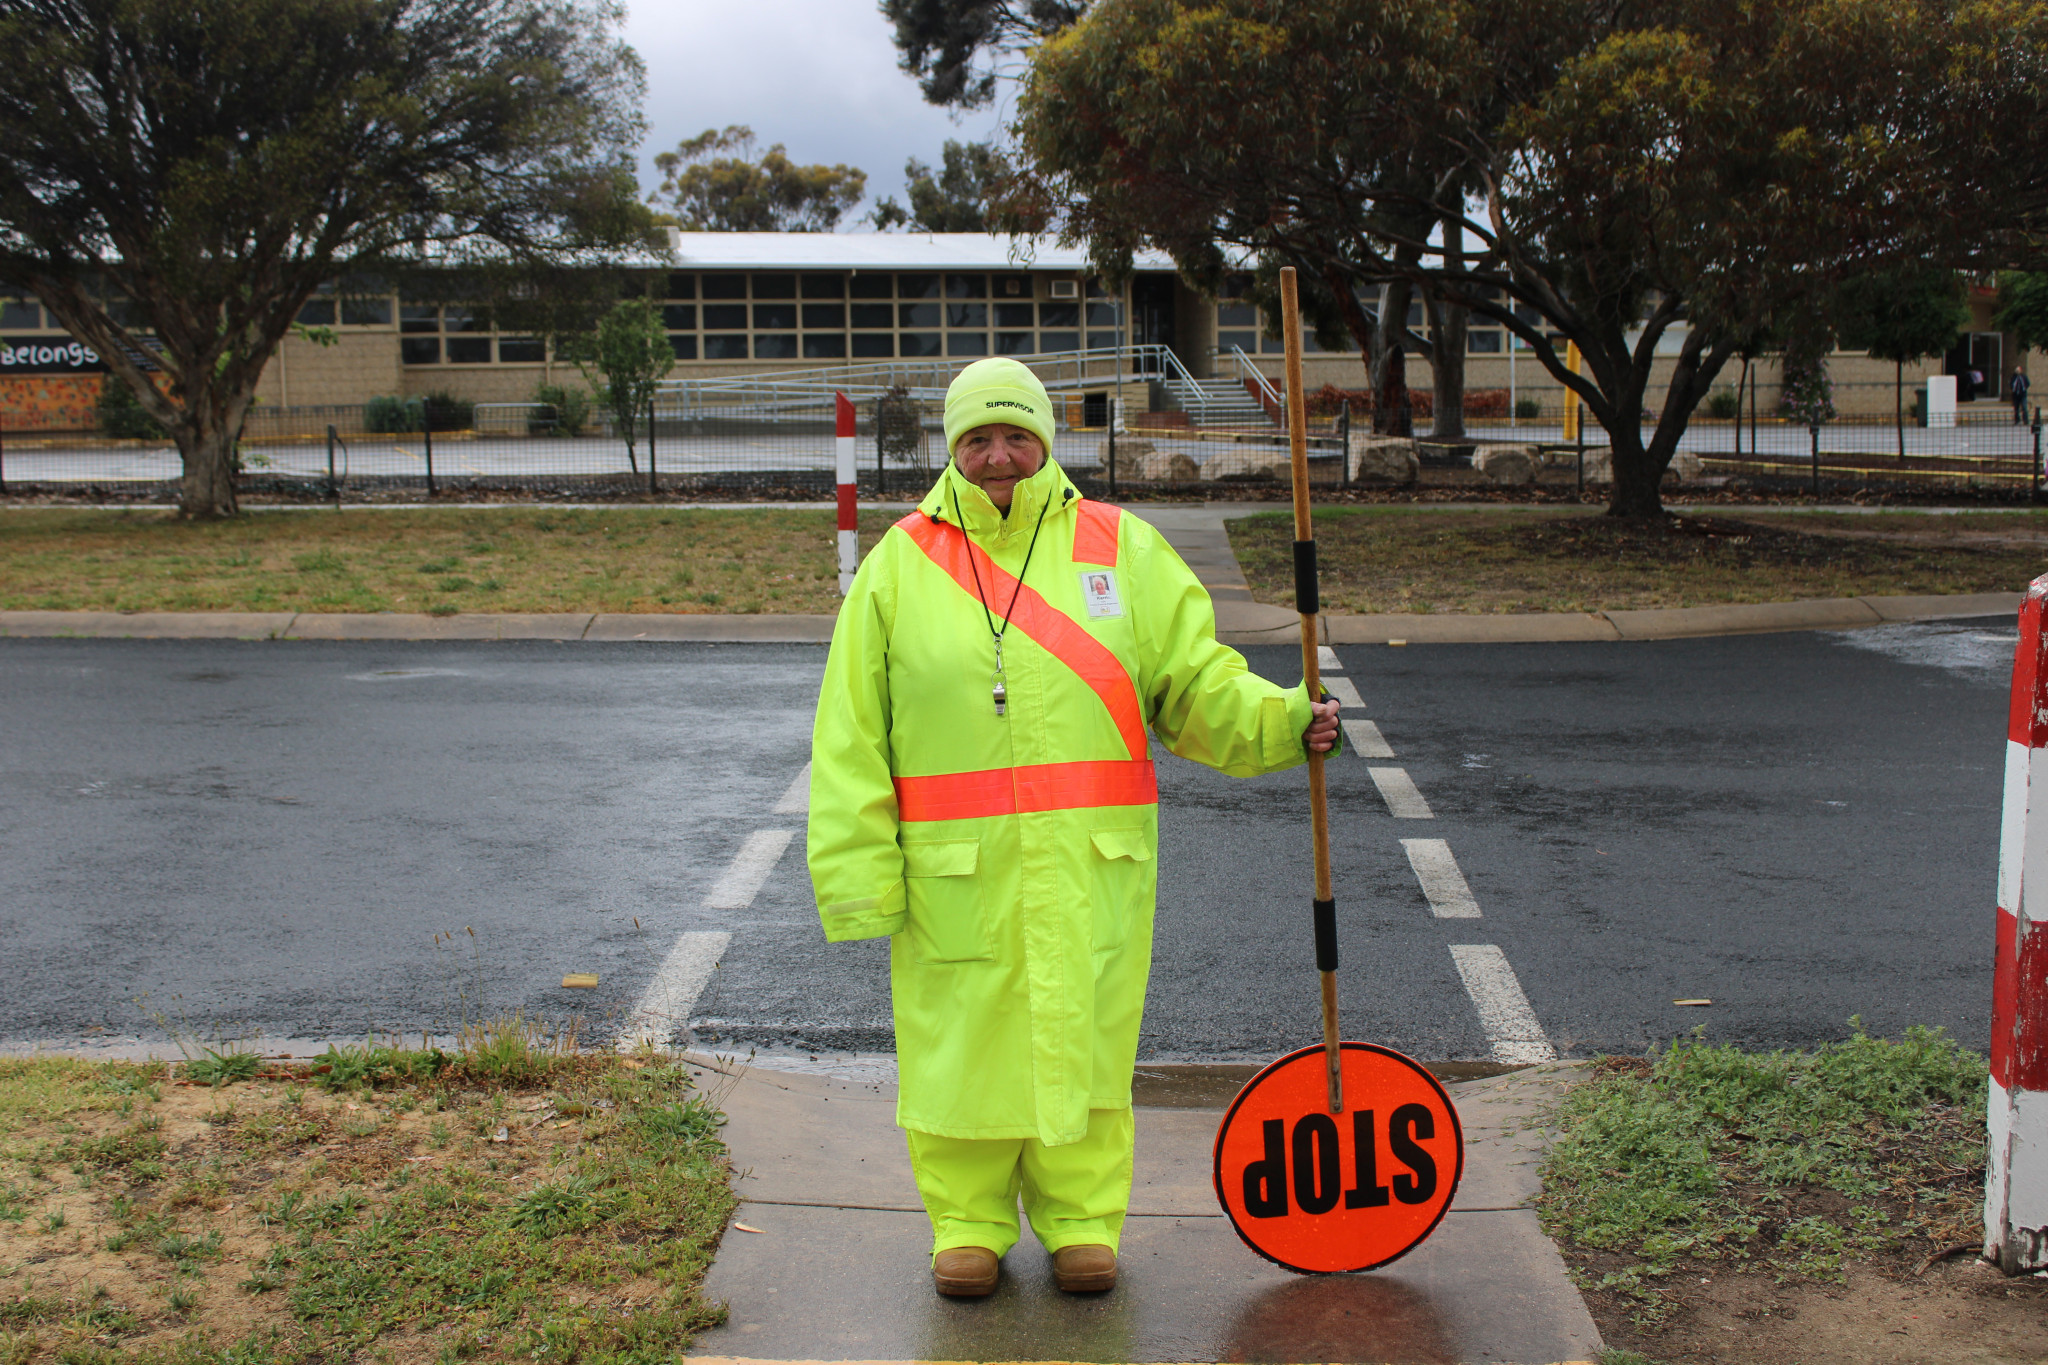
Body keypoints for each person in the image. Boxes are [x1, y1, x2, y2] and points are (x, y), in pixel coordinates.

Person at [807, 357, 1340, 1300]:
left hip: (1095, 864)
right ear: (951, 444)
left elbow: (1195, 684)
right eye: (978, 437)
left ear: (1049, 442)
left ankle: (1082, 1220)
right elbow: (851, 735)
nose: (999, 455)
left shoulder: (1121, 548)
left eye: (1018, 435)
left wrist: (1285, 719)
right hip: (955, 875)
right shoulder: (898, 564)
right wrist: (858, 878)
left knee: (1087, 1038)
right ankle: (965, 1222)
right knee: (959, 1047)